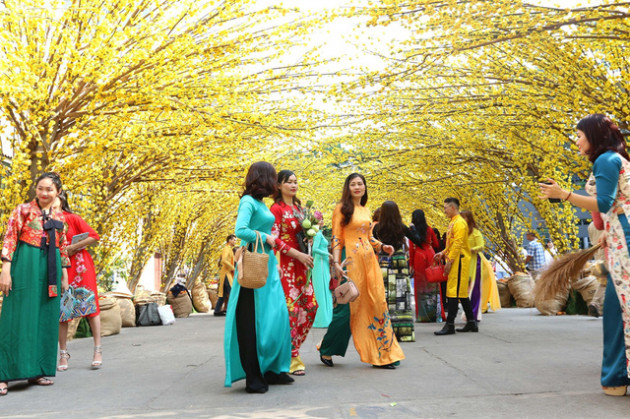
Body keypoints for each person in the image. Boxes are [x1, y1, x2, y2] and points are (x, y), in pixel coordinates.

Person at [540, 113, 630, 396]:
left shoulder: (606, 160)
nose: (576, 141)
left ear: (594, 136)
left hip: (624, 244)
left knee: (619, 310)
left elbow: (604, 203)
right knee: (618, 309)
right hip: (618, 238)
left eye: (579, 135)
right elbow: (617, 204)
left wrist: (563, 194)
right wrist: (607, 231)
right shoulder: (615, 159)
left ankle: (615, 378)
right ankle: (615, 376)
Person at [319, 173, 404, 369]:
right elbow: (337, 237)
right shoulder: (342, 209)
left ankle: (383, 352)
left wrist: (382, 246)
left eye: (360, 184)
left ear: (365, 187)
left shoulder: (365, 210)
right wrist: (336, 263)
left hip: (369, 262)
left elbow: (367, 237)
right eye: (353, 184)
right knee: (348, 307)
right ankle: (327, 347)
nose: (357, 187)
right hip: (350, 262)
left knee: (377, 303)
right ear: (347, 188)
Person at [224, 162, 293, 393]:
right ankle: (253, 376)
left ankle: (272, 369)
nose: (276, 182)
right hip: (252, 264)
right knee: (251, 321)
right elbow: (241, 230)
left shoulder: (262, 203)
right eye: (273, 177)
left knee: (277, 316)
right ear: (264, 178)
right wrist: (266, 236)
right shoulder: (248, 201)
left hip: (268, 263)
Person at [0, 172, 70, 395]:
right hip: (26, 264)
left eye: (49, 189)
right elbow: (10, 237)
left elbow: (63, 245)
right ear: (35, 189)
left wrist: (64, 274)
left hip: (50, 268)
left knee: (44, 317)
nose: (44, 193)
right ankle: (4, 375)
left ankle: (37, 370)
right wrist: (5, 269)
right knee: (16, 317)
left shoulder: (60, 215)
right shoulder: (23, 210)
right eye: (40, 188)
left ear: (57, 192)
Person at [270, 170, 316, 376]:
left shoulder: (299, 208)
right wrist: (296, 254)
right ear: (279, 185)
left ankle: (292, 346)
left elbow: (303, 233)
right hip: (287, 265)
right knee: (292, 310)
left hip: (302, 265)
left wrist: (310, 238)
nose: (293, 185)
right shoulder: (276, 209)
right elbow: (274, 239)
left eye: (295, 181)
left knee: (311, 307)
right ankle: (293, 356)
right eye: (288, 182)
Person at [56, 192, 103, 370]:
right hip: (62, 269)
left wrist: (72, 248)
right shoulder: (45, 223)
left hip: (81, 267)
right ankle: (63, 354)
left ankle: (97, 350)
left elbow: (93, 236)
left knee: (91, 306)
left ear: (62, 200)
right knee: (63, 311)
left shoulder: (72, 218)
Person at [372, 201, 415, 341]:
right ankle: (403, 331)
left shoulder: (378, 228)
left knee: (385, 294)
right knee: (401, 295)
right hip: (400, 261)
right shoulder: (401, 227)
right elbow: (418, 240)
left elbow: (372, 246)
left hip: (384, 261)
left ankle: (385, 328)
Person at [434, 197, 476, 335]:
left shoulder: (459, 223)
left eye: (446, 208)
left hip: (459, 261)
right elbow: (451, 244)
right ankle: (471, 322)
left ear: (452, 207)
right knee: (461, 292)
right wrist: (443, 252)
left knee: (453, 291)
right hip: (456, 259)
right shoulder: (454, 222)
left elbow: (458, 244)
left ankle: (450, 324)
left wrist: (450, 262)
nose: (444, 210)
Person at [460, 210, 500, 322]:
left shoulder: (475, 232)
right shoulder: (462, 231)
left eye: (464, 217)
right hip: (465, 262)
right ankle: (468, 314)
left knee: (475, 289)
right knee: (466, 291)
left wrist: (471, 250)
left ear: (469, 219)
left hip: (476, 262)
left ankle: (474, 315)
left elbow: (481, 246)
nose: (462, 220)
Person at [408, 210, 441, 322]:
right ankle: (436, 314)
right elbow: (436, 244)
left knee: (420, 286)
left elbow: (411, 249)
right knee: (433, 284)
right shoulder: (430, 229)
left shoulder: (412, 230)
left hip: (419, 256)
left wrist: (411, 264)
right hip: (430, 254)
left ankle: (423, 315)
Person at [312, 218, 333, 328]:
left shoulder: (319, 233)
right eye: (320, 219)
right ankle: (321, 320)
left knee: (325, 289)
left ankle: (327, 318)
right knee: (321, 289)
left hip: (323, 263)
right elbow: (314, 249)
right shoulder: (317, 234)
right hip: (319, 263)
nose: (322, 221)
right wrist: (327, 254)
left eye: (323, 219)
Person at [215, 234, 237, 316]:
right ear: (229, 240)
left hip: (226, 273)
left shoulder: (229, 249)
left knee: (223, 293)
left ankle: (217, 311)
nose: (235, 241)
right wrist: (232, 268)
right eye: (234, 240)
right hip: (226, 274)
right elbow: (224, 260)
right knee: (232, 292)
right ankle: (232, 311)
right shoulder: (226, 249)